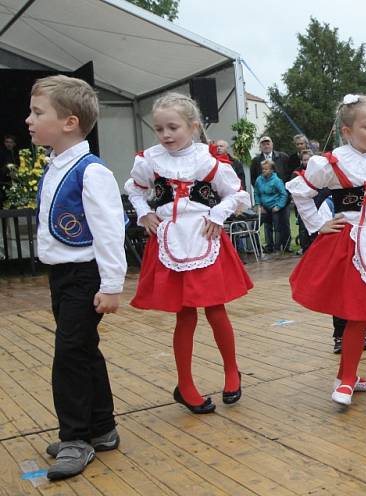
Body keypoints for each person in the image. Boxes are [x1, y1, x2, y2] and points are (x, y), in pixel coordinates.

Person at [125, 93, 253, 415]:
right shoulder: (150, 160)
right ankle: (185, 384)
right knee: (184, 314)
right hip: (170, 240)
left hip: (203, 238)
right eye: (159, 129)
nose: (166, 134)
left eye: (173, 127)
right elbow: (135, 189)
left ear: (193, 127)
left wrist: (217, 215)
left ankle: (231, 372)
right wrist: (144, 213)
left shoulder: (208, 160)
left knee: (215, 309)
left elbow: (237, 195)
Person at [28, 75, 127, 480]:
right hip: (63, 276)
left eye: (38, 112)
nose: (29, 120)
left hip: (86, 277)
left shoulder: (91, 171)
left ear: (69, 122)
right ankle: (102, 428)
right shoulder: (56, 165)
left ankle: (75, 438)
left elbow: (109, 230)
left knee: (69, 354)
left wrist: (111, 285)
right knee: (83, 349)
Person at [286, 94, 366, 406]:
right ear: (347, 131)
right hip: (348, 241)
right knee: (356, 312)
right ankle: (348, 379)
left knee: (363, 314)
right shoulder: (333, 162)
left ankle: (347, 375)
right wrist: (317, 224)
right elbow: (301, 191)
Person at [253, 159, 290, 253]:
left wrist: (278, 206)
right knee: (264, 226)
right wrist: (258, 205)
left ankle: (277, 248)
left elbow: (284, 194)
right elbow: (256, 193)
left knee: (277, 227)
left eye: (266, 169)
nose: (263, 171)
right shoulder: (258, 180)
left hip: (275, 207)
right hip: (264, 207)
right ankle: (268, 246)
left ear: (272, 170)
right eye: (262, 169)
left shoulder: (277, 181)